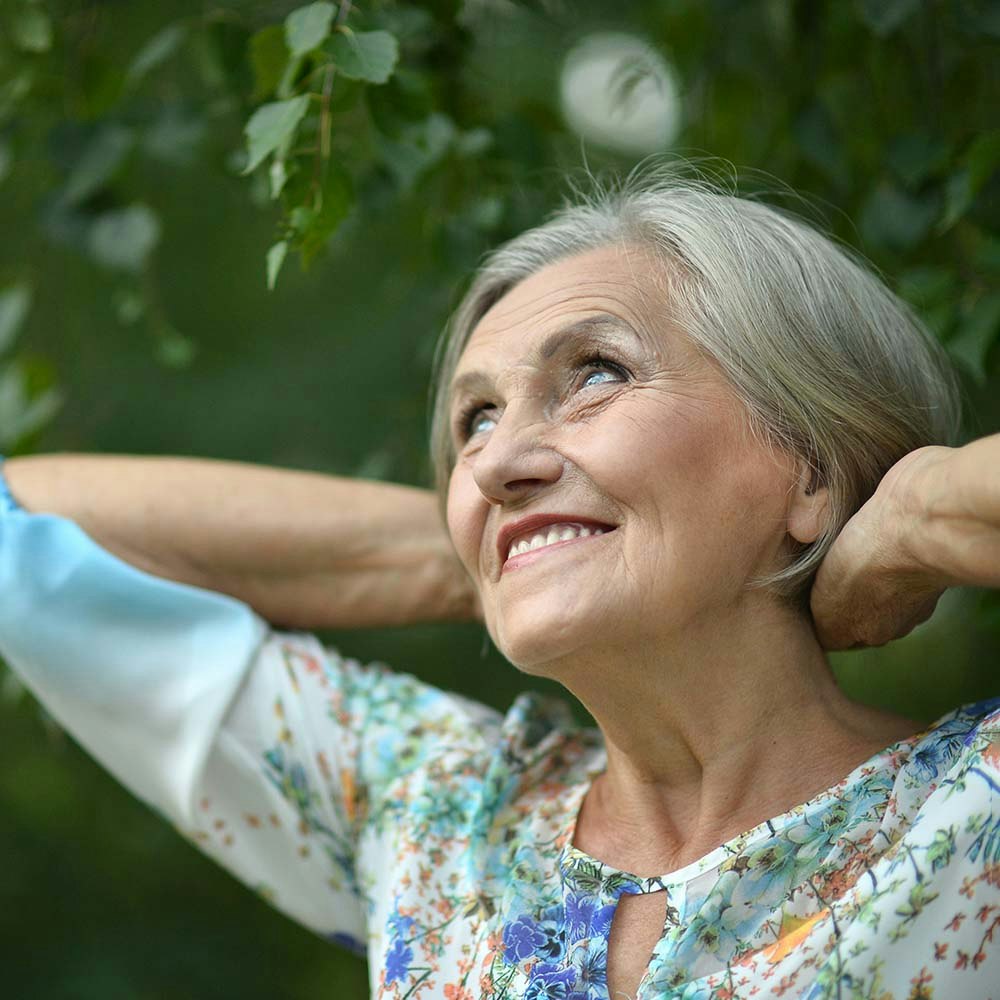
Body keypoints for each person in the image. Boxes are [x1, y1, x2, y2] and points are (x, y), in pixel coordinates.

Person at [1, 171, 998, 1000]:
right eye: (474, 421)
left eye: (596, 373)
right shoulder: (436, 813)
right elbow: (18, 530)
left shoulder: (970, 815)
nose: (493, 460)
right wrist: (495, 549)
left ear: (809, 469)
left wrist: (921, 511)